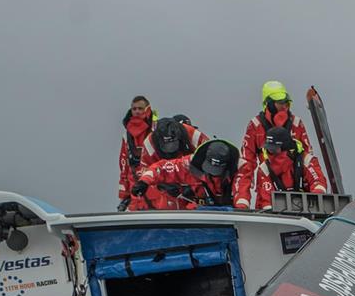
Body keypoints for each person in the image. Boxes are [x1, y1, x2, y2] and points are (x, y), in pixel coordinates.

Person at [234, 81, 315, 209]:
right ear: (269, 104)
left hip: (298, 193)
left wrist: (315, 196)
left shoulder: (296, 124)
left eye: (286, 102)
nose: (285, 107)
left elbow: (308, 160)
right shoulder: (255, 126)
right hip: (267, 187)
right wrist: (242, 201)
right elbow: (246, 166)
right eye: (280, 103)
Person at [129, 139, 239, 211]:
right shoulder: (189, 163)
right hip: (199, 216)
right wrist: (144, 181)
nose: (213, 173)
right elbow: (161, 168)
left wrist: (241, 211)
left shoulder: (240, 167)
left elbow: (243, 193)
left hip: (229, 216)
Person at [238, 126, 327, 211]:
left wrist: (313, 202)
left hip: (309, 214)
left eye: (274, 149)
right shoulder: (264, 169)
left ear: (285, 147)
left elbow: (318, 182)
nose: (270, 152)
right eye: (269, 149)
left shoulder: (307, 161)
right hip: (278, 220)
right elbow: (266, 201)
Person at [118, 95, 157, 211]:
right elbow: (123, 165)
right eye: (134, 109)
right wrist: (123, 196)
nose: (137, 111)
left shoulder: (156, 131)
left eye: (140, 108)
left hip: (155, 187)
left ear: (147, 109)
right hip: (134, 189)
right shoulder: (127, 136)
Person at [138, 116, 211, 168]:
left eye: (173, 143)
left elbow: (211, 151)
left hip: (192, 171)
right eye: (166, 144)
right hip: (162, 176)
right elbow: (144, 171)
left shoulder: (191, 133)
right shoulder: (149, 144)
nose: (170, 147)